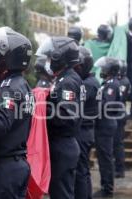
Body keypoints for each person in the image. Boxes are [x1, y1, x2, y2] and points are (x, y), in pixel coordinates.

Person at [0, 27, 35, 199]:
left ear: (7, 58)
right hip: (13, 165)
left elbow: (1, 126)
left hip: (4, 169)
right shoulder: (21, 84)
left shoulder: (9, 87)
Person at [36, 36, 82, 199]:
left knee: (62, 194)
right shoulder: (64, 78)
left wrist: (41, 107)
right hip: (61, 144)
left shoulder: (68, 81)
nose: (48, 61)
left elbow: (66, 116)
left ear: (59, 58)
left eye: (50, 57)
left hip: (63, 145)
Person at [93, 57, 123, 198]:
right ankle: (106, 185)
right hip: (104, 123)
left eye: (104, 68)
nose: (102, 70)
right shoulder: (108, 83)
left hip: (106, 124)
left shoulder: (112, 85)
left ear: (110, 70)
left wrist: (92, 107)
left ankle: (107, 189)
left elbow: (106, 105)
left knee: (105, 158)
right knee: (103, 157)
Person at [74, 46, 100, 199]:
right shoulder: (92, 81)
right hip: (87, 129)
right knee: (83, 169)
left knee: (81, 170)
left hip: (84, 130)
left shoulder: (88, 84)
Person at [114, 60, 131, 178]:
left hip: (119, 114)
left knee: (118, 143)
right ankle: (117, 168)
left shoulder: (123, 82)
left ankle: (120, 169)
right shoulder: (120, 81)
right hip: (117, 114)